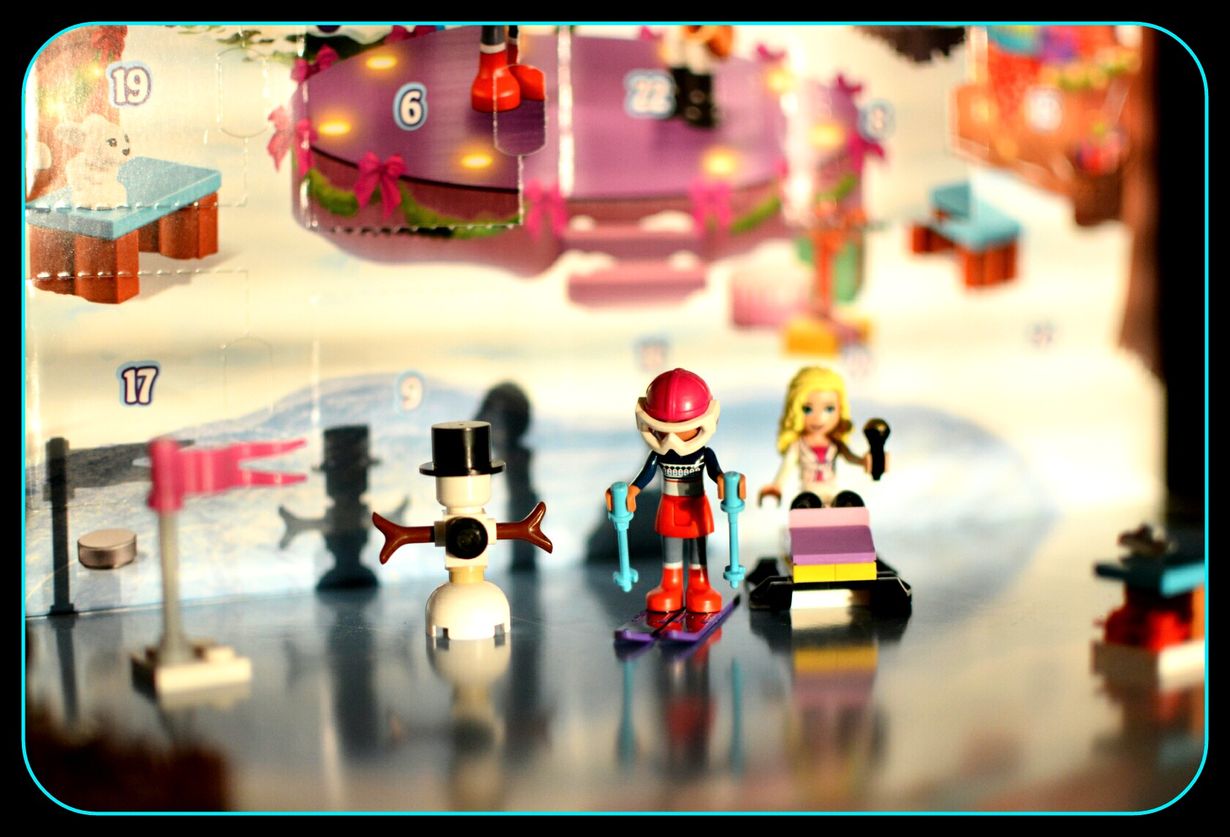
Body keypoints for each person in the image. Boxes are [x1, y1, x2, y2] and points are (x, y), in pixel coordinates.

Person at [605, 369, 744, 613]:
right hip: (669, 505)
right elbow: (645, 475)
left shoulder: (704, 454)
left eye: (680, 427)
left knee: (698, 548)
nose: (671, 440)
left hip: (696, 506)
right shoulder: (658, 455)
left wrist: (727, 482)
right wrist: (632, 491)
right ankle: (671, 585)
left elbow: (716, 473)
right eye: (663, 428)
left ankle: (700, 585)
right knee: (671, 547)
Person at [758, 366, 883, 509]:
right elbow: (787, 465)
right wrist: (777, 485)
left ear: (840, 409)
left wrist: (864, 461)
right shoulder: (799, 444)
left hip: (832, 491)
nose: (818, 417)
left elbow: (850, 457)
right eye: (807, 409)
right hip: (810, 492)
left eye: (829, 409)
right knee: (806, 504)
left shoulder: (835, 443)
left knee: (848, 501)